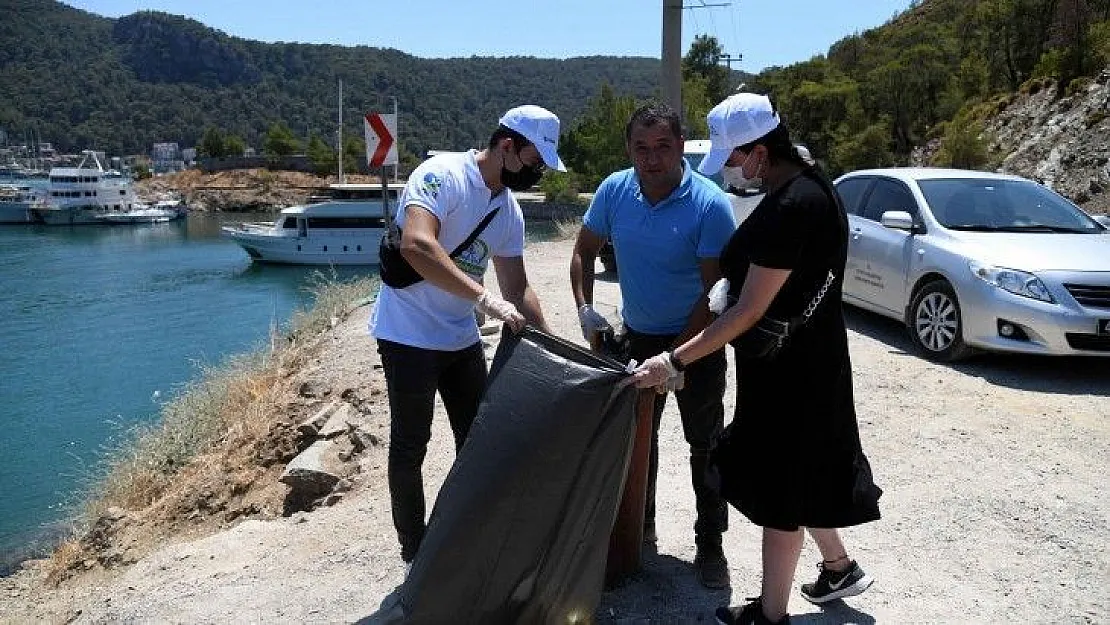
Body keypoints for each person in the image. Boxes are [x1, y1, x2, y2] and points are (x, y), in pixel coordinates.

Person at [630, 93, 882, 625]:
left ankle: (769, 616)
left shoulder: (793, 205)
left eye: (737, 158)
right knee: (805, 472)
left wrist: (676, 359)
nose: (734, 171)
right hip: (811, 357)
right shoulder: (815, 186)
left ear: (759, 149)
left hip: (791, 372)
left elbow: (747, 311)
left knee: (783, 489)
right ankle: (838, 567)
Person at [369, 104, 563, 569]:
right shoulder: (442, 175)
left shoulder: (507, 210)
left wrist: (556, 345)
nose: (537, 171)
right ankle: (415, 552)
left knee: (477, 441)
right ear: (506, 145)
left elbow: (517, 287)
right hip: (407, 333)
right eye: (534, 160)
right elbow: (417, 243)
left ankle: (467, 535)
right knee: (412, 442)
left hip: (459, 338)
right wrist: (484, 299)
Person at [569, 101, 738, 589]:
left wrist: (675, 358)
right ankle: (639, 532)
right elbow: (582, 251)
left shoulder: (708, 204)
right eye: (641, 148)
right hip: (637, 339)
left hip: (698, 343)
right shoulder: (614, 191)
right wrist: (585, 308)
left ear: (680, 147)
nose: (652, 158)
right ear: (629, 150)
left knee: (704, 446)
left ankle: (711, 545)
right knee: (635, 443)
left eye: (663, 146)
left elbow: (715, 294)